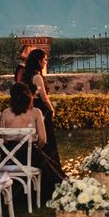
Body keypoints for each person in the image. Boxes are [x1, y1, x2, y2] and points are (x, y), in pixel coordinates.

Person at [21, 49, 64, 195]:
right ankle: (52, 177)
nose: (46, 62)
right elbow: (44, 98)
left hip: (30, 109)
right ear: (38, 61)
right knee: (48, 142)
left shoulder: (25, 76)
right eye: (44, 60)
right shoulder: (37, 77)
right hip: (41, 110)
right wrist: (52, 109)